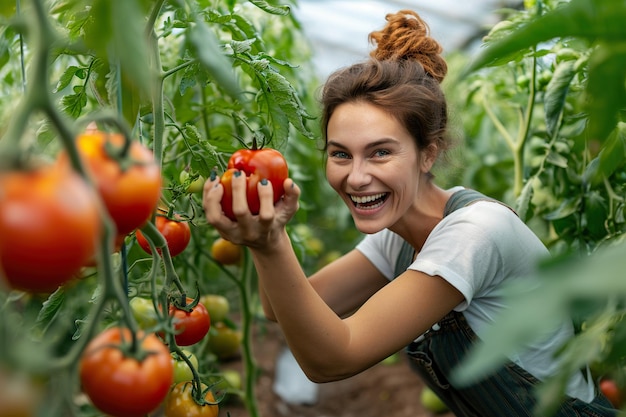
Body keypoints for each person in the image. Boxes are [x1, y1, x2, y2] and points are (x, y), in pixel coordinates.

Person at [203, 10, 617, 416]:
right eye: (340, 154)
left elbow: (332, 360)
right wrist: (264, 234)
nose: (356, 177)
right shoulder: (399, 235)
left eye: (381, 152)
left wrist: (269, 244)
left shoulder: (473, 234)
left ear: (427, 154)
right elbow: (281, 309)